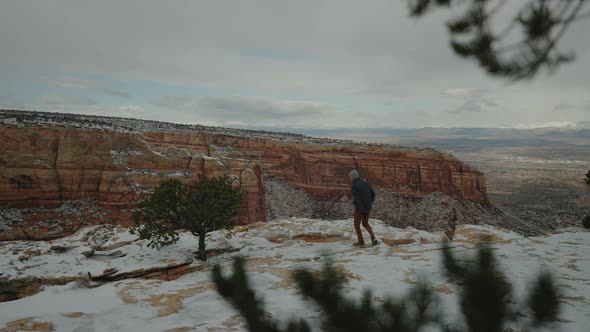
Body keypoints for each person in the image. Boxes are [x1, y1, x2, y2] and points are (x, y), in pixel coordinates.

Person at [349, 169, 378, 247]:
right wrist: (369, 204)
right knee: (365, 223)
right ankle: (373, 238)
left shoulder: (354, 186)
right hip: (368, 207)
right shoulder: (366, 183)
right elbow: (373, 194)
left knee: (356, 224)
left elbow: (358, 199)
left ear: (352, 177)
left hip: (360, 209)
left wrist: (362, 210)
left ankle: (360, 241)